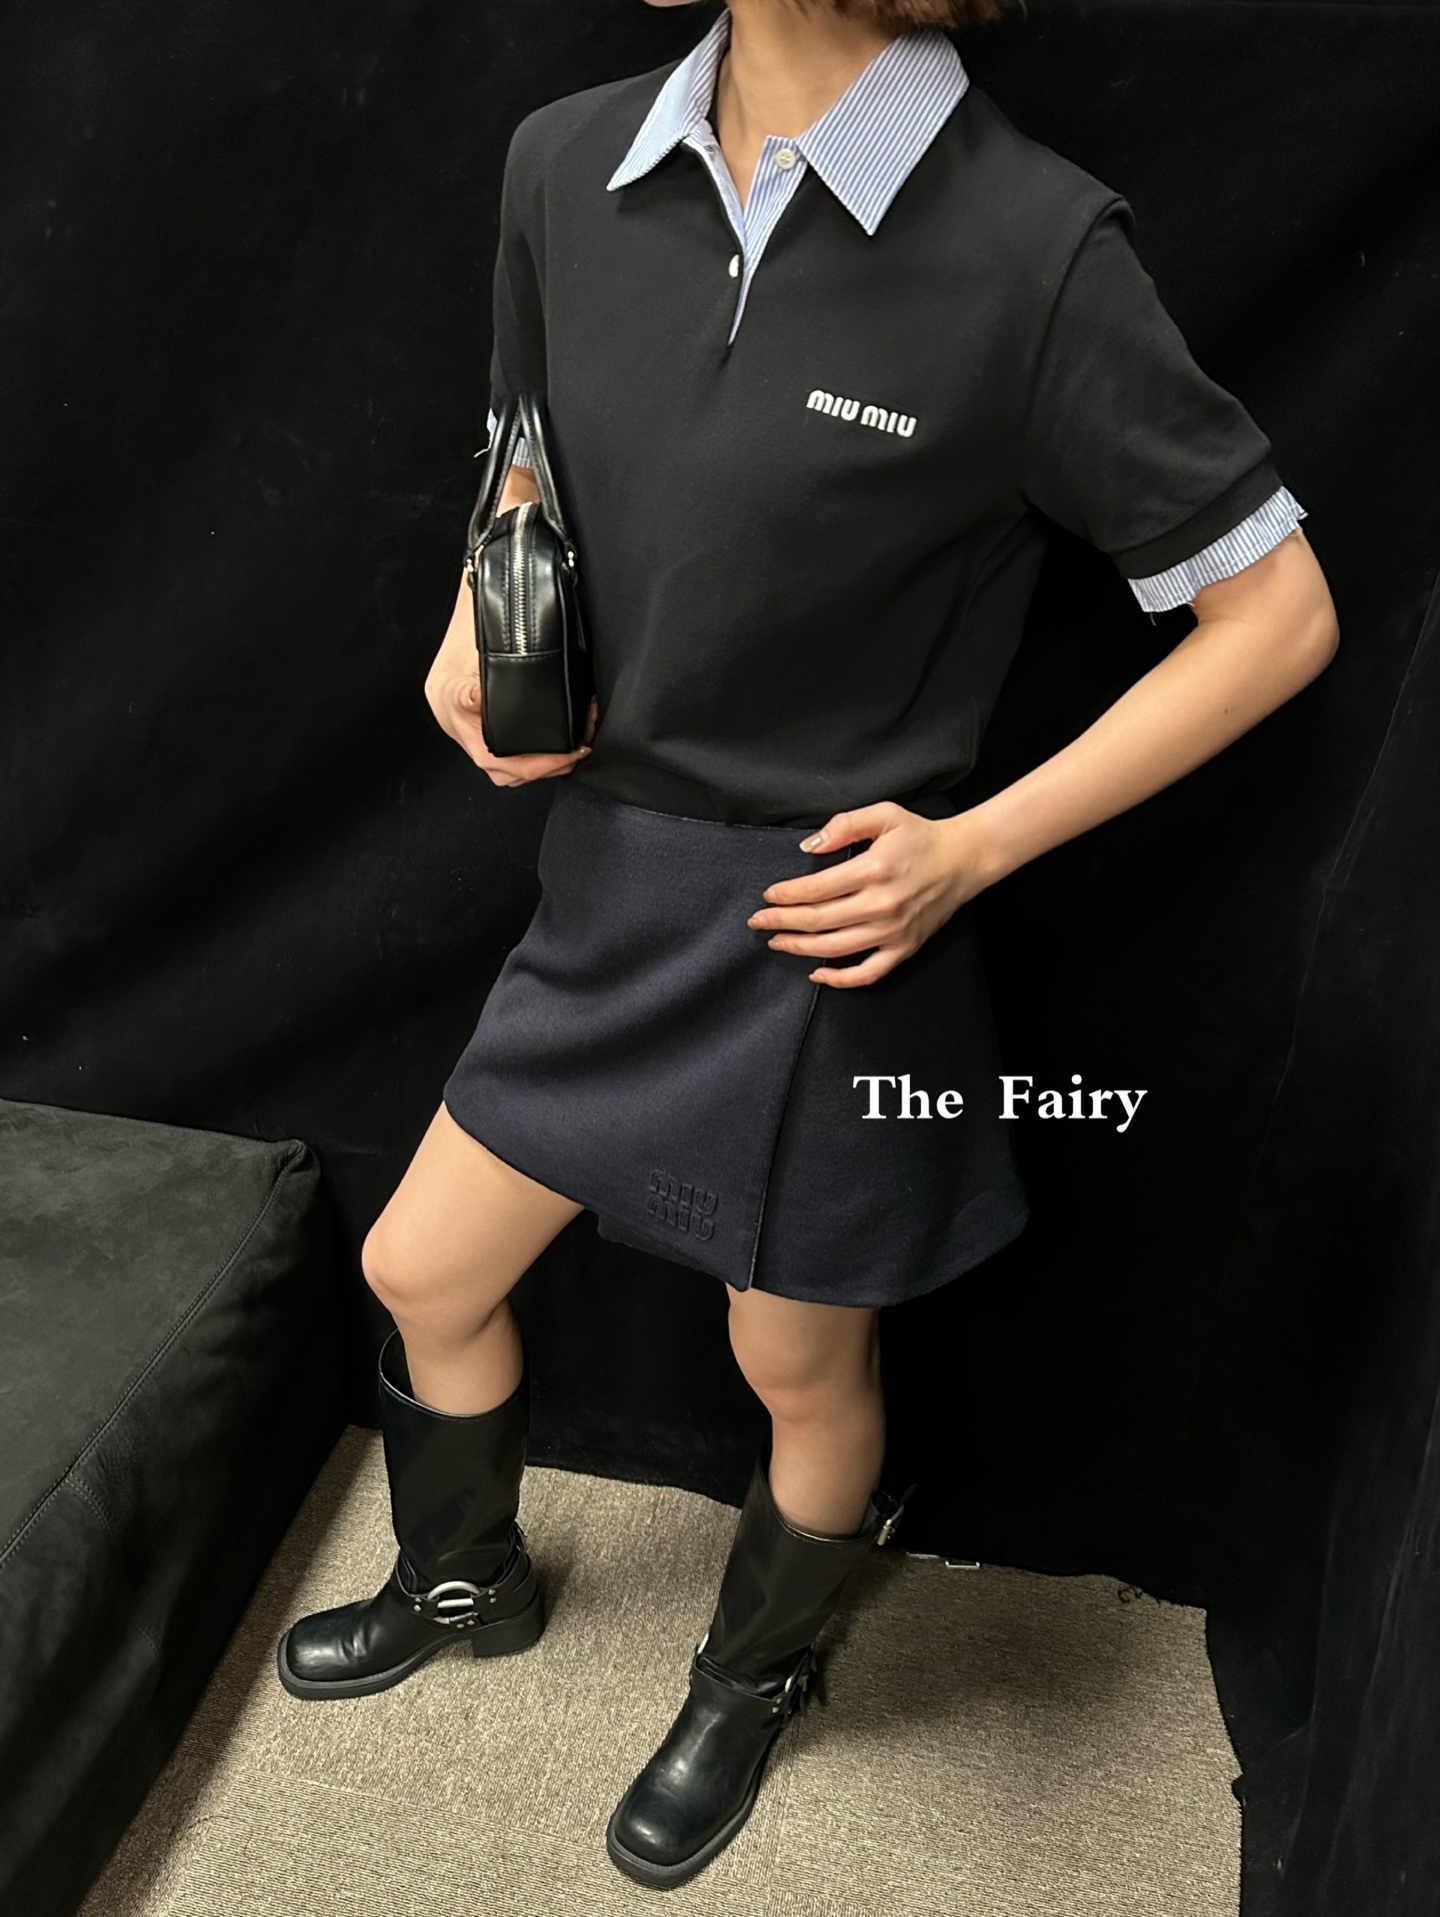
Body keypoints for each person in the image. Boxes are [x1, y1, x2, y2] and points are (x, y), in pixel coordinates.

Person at [275, 0, 1339, 1890]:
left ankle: (751, 1675)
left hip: (831, 924)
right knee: (419, 1263)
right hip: (614, 883)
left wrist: (972, 850)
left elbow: (1279, 616)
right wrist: (481, 611)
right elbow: (521, 447)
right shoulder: (562, 162)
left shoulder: (1035, 245)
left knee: (795, 1361)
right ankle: (462, 1577)